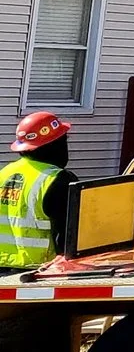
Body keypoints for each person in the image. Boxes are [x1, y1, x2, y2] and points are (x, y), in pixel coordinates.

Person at [0, 112, 76, 271]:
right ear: (54, 145)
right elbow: (71, 235)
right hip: (39, 271)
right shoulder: (58, 180)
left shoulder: (5, 173)